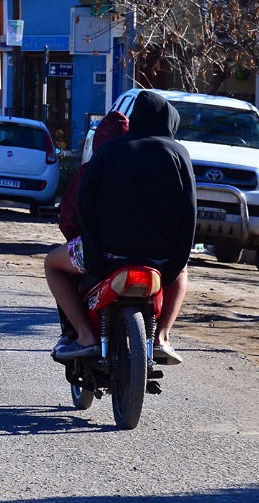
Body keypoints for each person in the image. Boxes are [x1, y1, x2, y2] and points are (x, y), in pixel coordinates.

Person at [45, 92, 197, 365]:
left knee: (51, 264)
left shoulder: (107, 152)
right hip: (160, 259)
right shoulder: (179, 154)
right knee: (184, 272)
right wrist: (176, 261)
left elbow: (85, 209)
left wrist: (94, 255)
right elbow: (189, 213)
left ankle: (83, 335)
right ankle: (162, 336)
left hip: (107, 254)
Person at [55, 110, 128, 242]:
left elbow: (68, 217)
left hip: (94, 247)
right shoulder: (140, 171)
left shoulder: (87, 172)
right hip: (138, 249)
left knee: (51, 261)